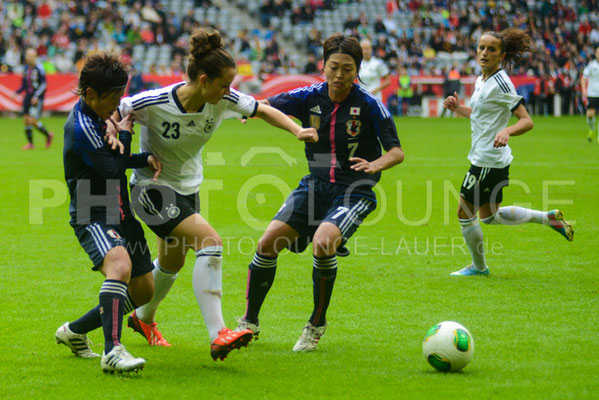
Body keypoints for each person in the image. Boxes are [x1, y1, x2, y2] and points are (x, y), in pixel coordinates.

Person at [113, 27, 318, 360]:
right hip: (149, 190)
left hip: (187, 188)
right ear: (204, 80)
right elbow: (113, 111)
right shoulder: (153, 102)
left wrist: (297, 130)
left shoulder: (222, 100)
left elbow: (263, 110)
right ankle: (218, 332)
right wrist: (115, 135)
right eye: (225, 84)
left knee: (172, 261)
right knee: (210, 242)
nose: (230, 90)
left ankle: (142, 317)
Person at [235, 33, 404, 352]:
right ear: (323, 66)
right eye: (334, 67)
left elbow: (396, 152)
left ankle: (315, 324)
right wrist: (251, 109)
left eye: (347, 69)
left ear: (357, 71)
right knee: (267, 242)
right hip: (313, 186)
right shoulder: (309, 96)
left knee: (324, 242)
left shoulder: (370, 105)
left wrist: (374, 165)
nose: (339, 75)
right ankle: (249, 323)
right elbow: (267, 106)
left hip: (354, 190)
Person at [56, 52, 162, 373]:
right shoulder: (82, 126)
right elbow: (111, 164)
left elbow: (113, 159)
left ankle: (73, 331)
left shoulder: (101, 114)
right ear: (90, 93)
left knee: (143, 289)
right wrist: (126, 133)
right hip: (93, 209)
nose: (117, 103)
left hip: (120, 210)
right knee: (119, 264)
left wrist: (141, 158)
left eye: (120, 94)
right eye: (112, 97)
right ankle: (113, 350)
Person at [442, 28, 574, 277]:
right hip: (490, 157)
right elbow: (481, 116)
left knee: (463, 212)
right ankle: (548, 218)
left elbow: (526, 121)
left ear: (501, 55)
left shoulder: (502, 82)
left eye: (491, 49)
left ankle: (479, 268)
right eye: (481, 47)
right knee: (490, 217)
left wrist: (508, 132)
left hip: (487, 160)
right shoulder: (482, 79)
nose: (484, 53)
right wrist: (459, 108)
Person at [13, 48, 54, 150]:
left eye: (32, 56)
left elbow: (44, 84)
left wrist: (36, 96)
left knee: (31, 120)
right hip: (28, 96)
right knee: (25, 119)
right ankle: (31, 144)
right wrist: (16, 92)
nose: (30, 58)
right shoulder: (26, 68)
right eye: (28, 55)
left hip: (36, 97)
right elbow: (24, 85)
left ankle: (48, 134)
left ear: (35, 57)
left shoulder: (39, 68)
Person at [582, 47, 599, 142]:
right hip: (592, 93)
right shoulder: (591, 65)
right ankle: (592, 129)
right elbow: (584, 78)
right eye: (597, 52)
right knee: (590, 115)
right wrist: (584, 89)